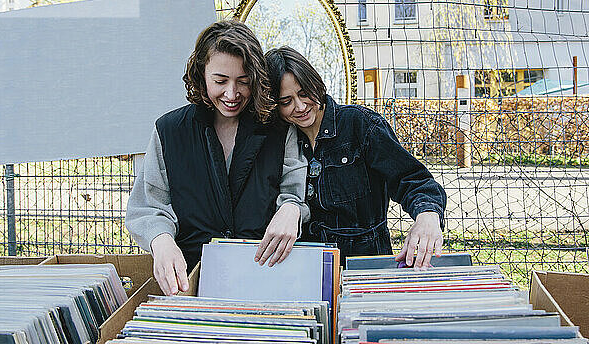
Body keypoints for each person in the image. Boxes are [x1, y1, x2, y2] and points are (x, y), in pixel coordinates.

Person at [126, 21, 309, 296]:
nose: (232, 94)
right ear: (201, 75)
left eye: (243, 81)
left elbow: (296, 192)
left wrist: (291, 209)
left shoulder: (280, 130)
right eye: (220, 81)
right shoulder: (168, 131)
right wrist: (160, 241)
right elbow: (148, 206)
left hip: (266, 279)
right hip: (190, 283)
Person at [265, 46, 446, 268]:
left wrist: (427, 215)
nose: (300, 107)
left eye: (304, 93)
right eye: (286, 102)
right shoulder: (283, 142)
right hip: (307, 270)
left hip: (365, 267)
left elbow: (413, 180)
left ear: (316, 84)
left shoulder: (360, 125)